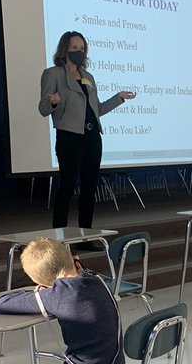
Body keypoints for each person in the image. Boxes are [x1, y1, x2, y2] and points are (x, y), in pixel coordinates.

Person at [39, 31, 136, 229]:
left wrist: (119, 98)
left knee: (89, 187)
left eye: (82, 48)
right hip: (69, 137)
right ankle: (59, 235)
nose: (79, 52)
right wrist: (54, 103)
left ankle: (86, 234)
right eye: (74, 48)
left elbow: (97, 109)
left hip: (92, 138)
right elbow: (43, 109)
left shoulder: (88, 77)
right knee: (67, 186)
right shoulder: (53, 74)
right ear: (65, 49)